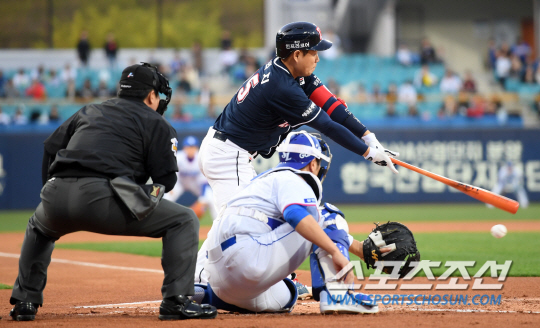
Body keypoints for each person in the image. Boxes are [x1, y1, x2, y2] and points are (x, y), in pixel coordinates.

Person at [7, 63, 217, 321]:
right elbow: (166, 180)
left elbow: (50, 147)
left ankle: (25, 302)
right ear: (151, 95)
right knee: (183, 220)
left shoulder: (90, 110)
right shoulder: (156, 122)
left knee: (38, 228)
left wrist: (49, 193)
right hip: (102, 198)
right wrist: (138, 194)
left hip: (55, 195)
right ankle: (176, 300)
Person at [199, 21, 399, 215]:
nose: (317, 58)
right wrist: (368, 153)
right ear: (296, 54)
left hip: (232, 152)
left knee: (259, 219)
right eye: (313, 52)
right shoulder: (282, 86)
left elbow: (332, 106)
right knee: (238, 227)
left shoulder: (294, 72)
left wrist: (368, 137)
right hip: (227, 155)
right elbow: (327, 126)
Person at [192, 131, 379, 313]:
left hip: (221, 278)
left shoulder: (265, 180)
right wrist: (334, 251)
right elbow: (297, 215)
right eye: (319, 162)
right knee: (329, 215)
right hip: (246, 259)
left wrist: (358, 248)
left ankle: (201, 295)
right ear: (312, 163)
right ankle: (337, 295)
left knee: (287, 296)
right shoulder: (294, 177)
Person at [164, 136, 217, 220]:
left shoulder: (201, 159)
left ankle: (217, 224)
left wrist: (202, 200)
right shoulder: (178, 157)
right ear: (184, 148)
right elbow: (171, 174)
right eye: (188, 147)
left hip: (194, 184)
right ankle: (164, 221)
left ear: (197, 148)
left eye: (192, 147)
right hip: (180, 183)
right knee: (167, 197)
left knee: (211, 197)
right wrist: (170, 187)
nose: (190, 149)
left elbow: (204, 182)